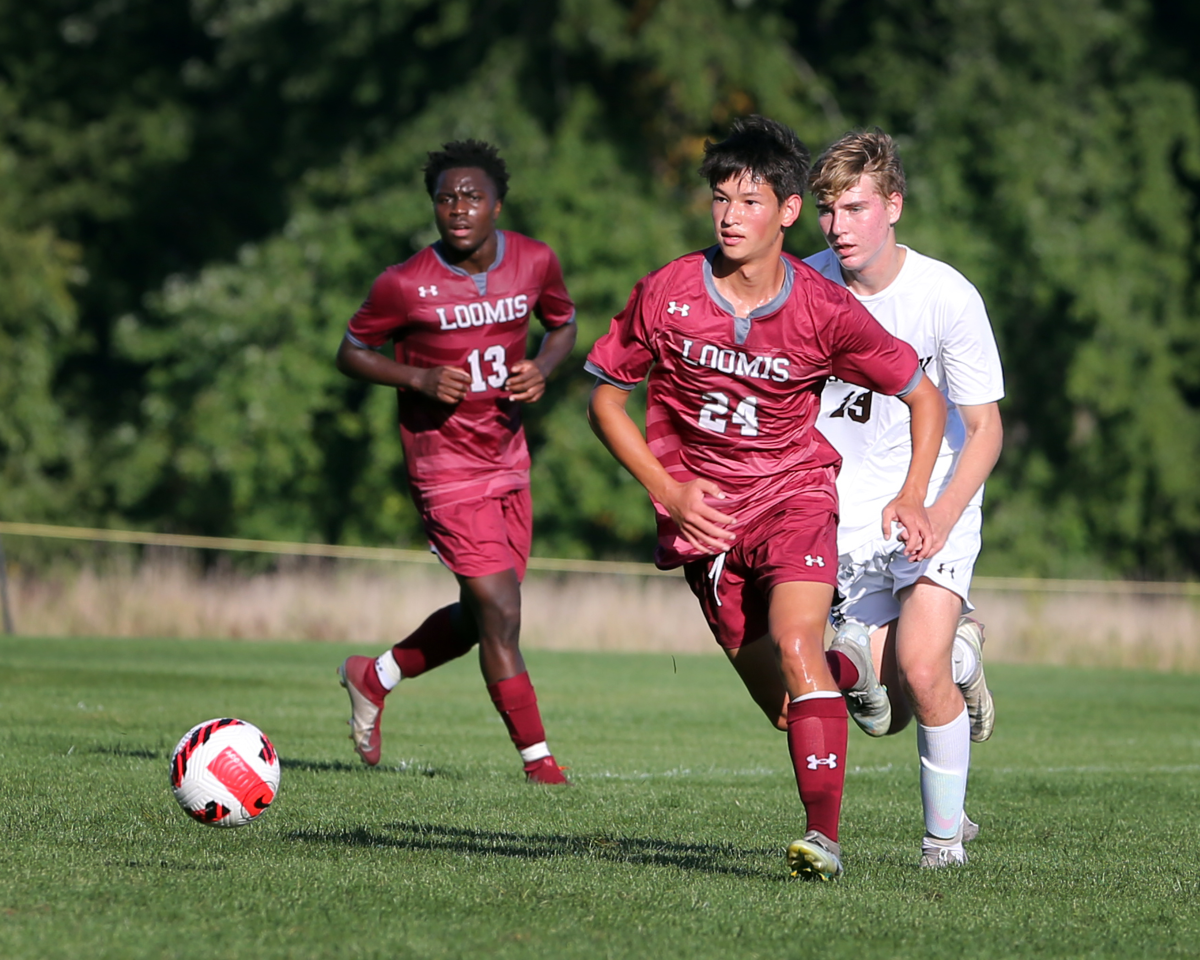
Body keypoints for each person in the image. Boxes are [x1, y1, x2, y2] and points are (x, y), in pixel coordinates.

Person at [585, 116, 947, 879]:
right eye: (721, 199)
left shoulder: (823, 308)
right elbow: (605, 401)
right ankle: (854, 667)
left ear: (787, 211)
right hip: (707, 526)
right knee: (789, 704)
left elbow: (925, 397)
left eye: (749, 201)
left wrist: (915, 494)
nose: (729, 216)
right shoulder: (667, 293)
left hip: (795, 497)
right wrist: (668, 491)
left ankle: (824, 841)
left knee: (794, 645)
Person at [334, 139, 577, 784]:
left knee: (482, 615)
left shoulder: (535, 261)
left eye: (472, 196)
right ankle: (539, 762)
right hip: (442, 465)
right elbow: (351, 351)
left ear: (498, 204)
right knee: (501, 610)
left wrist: (543, 368)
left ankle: (373, 675)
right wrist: (415, 379)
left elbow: (562, 325)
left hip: (508, 456)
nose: (458, 208)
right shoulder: (403, 283)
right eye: (446, 198)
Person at [804, 129, 1005, 867]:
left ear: (893, 205)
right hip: (845, 519)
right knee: (881, 712)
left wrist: (939, 513)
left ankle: (942, 845)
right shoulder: (804, 285)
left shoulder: (945, 295)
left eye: (855, 207)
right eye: (828, 209)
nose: (839, 226)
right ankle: (962, 659)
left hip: (935, 500)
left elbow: (984, 429)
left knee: (918, 668)